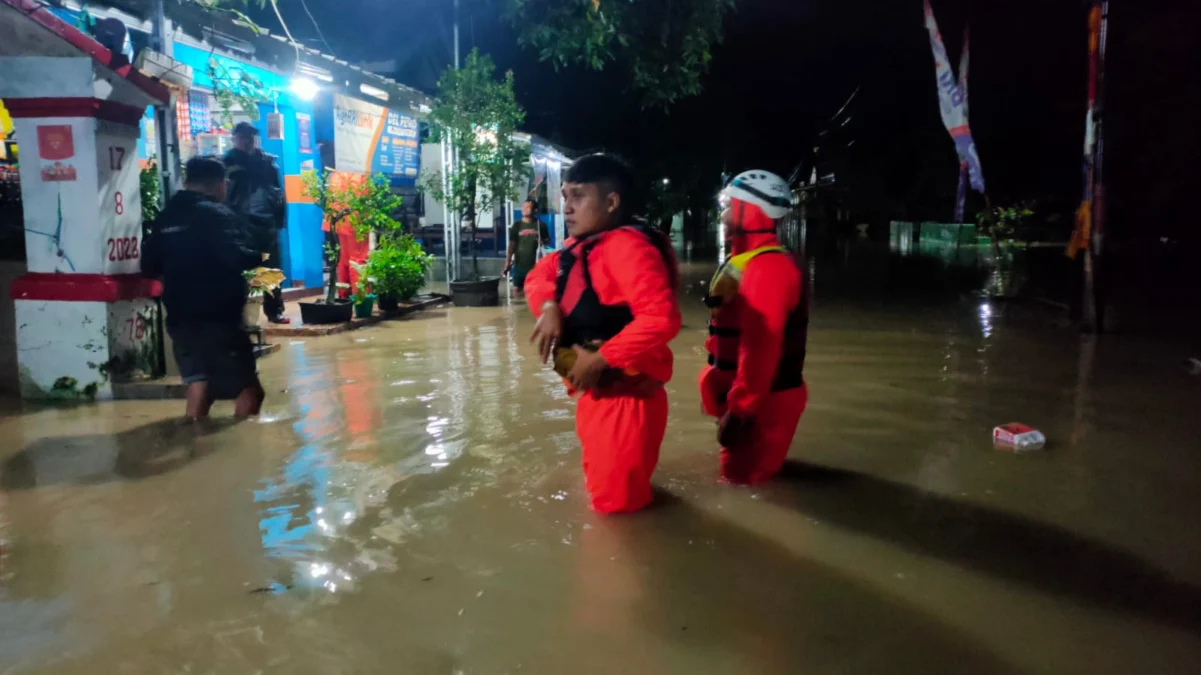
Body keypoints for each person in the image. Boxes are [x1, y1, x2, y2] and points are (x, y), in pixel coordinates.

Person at [525, 154, 681, 514]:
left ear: (612, 202)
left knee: (617, 516)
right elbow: (539, 275)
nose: (566, 208)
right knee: (614, 499)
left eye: (578, 197)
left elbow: (661, 318)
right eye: (565, 196)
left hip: (625, 402)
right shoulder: (585, 245)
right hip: (602, 398)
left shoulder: (627, 248)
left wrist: (600, 359)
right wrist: (548, 306)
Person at [699, 170, 810, 484]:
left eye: (730, 205)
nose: (723, 213)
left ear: (753, 210)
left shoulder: (767, 269)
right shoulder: (749, 261)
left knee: (744, 485)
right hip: (751, 397)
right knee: (743, 478)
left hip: (762, 404)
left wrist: (741, 411)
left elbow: (761, 346)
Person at [142, 156, 266, 420]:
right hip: (217, 318)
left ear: (187, 182)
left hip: (179, 316)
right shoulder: (216, 215)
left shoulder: (166, 216)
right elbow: (238, 257)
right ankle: (246, 447)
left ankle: (192, 436)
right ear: (221, 183)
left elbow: (149, 265)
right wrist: (259, 254)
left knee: (200, 381)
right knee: (250, 389)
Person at [224, 122, 290, 324]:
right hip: (239, 223)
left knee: (270, 269)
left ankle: (274, 311)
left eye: (250, 137)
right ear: (234, 138)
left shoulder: (267, 163)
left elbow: (278, 194)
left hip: (265, 223)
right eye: (242, 137)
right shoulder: (227, 163)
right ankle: (238, 315)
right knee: (239, 272)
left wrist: (279, 219)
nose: (247, 141)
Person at [503, 199, 551, 290]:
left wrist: (542, 241)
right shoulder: (517, 225)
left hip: (535, 267)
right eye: (523, 207)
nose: (524, 209)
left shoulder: (541, 225)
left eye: (527, 207)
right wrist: (508, 261)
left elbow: (548, 240)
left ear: (535, 210)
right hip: (519, 266)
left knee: (533, 290)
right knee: (516, 290)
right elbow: (512, 245)